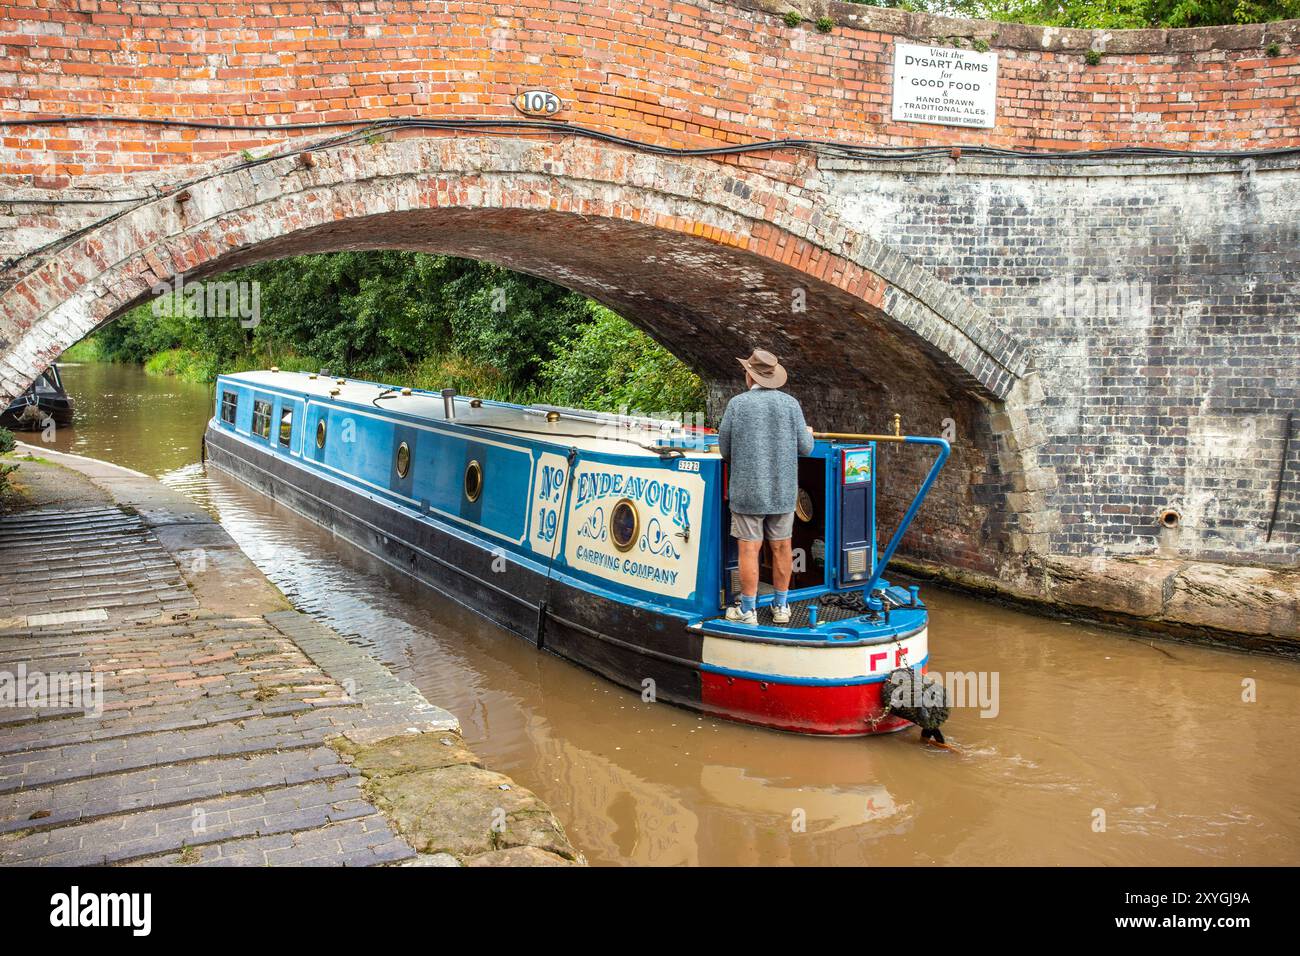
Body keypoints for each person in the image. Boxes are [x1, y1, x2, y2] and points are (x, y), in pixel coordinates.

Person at [717, 348, 814, 625]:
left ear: (750, 376)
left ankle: (748, 611)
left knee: (749, 549)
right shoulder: (791, 404)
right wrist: (809, 434)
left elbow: (725, 450)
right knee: (783, 547)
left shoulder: (737, 405)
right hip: (783, 492)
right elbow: (806, 449)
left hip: (748, 491)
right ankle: (781, 607)